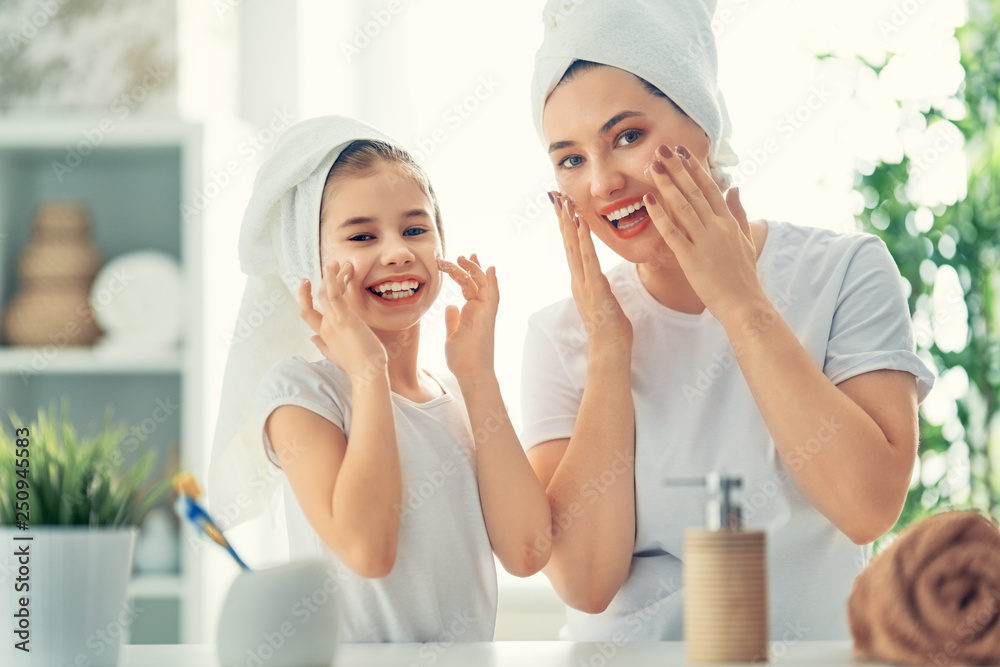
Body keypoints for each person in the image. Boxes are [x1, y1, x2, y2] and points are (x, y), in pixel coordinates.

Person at [519, 0, 937, 642]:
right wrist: (607, 351)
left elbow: (867, 509)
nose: (602, 182)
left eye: (626, 137)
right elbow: (586, 583)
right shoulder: (560, 333)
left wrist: (742, 306)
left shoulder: (844, 272)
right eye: (570, 159)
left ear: (703, 122)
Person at [209, 116, 550, 642]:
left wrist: (479, 374)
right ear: (311, 260)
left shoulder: (457, 393)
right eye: (362, 235)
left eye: (416, 229)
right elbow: (368, 551)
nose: (397, 252)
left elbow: (528, 552)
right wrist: (369, 373)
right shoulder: (301, 395)